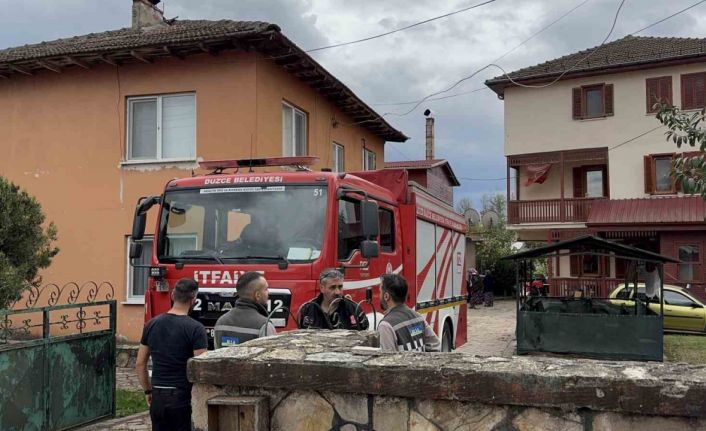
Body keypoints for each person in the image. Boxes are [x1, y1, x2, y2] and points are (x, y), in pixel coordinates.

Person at [136, 278, 208, 431]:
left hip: (157, 395)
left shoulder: (152, 324)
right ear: (194, 299)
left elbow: (140, 363)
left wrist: (148, 390)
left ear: (172, 295)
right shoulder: (196, 329)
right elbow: (201, 368)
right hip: (182, 397)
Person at [377, 274, 440, 352]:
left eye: (380, 291)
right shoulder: (418, 317)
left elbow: (387, 360)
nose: (379, 295)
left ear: (386, 296)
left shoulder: (386, 325)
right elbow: (436, 345)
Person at [214, 271, 276, 347]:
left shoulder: (220, 322)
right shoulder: (265, 326)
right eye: (266, 289)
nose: (268, 293)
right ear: (258, 295)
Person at [298, 268, 369, 330]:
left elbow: (366, 338)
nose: (337, 292)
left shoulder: (354, 310)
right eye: (332, 287)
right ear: (322, 288)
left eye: (340, 287)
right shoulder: (309, 309)